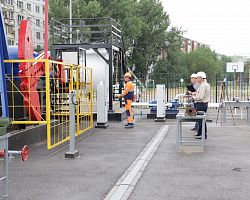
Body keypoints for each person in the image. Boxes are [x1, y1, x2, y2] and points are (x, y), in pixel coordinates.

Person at [192, 71, 210, 139]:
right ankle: (200, 133)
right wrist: (196, 94)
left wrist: (193, 97)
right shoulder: (207, 84)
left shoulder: (202, 86)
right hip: (204, 104)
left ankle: (203, 134)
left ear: (201, 78)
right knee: (201, 120)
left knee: (201, 120)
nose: (196, 79)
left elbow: (200, 97)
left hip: (200, 104)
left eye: (197, 78)